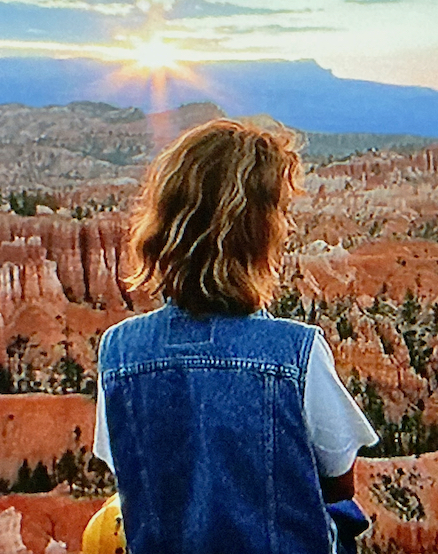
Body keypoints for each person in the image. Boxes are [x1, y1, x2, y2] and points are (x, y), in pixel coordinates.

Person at [93, 119, 378, 554]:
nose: (286, 225)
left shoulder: (119, 353)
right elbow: (339, 481)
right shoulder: (295, 353)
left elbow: (124, 465)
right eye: (280, 211)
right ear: (257, 233)